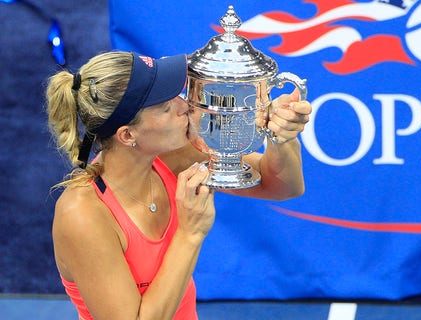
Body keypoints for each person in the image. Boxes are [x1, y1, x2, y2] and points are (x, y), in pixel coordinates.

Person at [45, 51, 311, 320]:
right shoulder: (82, 215)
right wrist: (190, 233)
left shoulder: (173, 156)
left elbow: (283, 187)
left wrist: (281, 137)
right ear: (128, 135)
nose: (184, 106)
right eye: (164, 106)